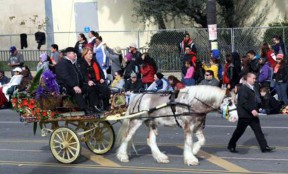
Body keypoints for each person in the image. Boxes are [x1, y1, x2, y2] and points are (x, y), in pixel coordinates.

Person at [227, 72, 275, 153]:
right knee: (239, 131)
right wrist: (252, 110)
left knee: (258, 131)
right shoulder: (243, 88)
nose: (254, 80)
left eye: (255, 78)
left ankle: (264, 147)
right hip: (245, 114)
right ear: (248, 78)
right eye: (253, 78)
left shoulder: (253, 87)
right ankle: (231, 145)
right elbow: (243, 102)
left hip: (253, 114)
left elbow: (256, 99)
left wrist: (259, 107)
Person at [55, 47, 93, 115]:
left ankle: (94, 106)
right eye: (74, 53)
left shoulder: (71, 62)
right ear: (68, 54)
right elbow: (66, 76)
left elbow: (79, 75)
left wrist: (87, 81)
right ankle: (85, 110)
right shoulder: (63, 63)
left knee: (91, 87)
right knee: (76, 91)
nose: (75, 55)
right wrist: (74, 86)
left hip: (76, 84)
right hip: (65, 86)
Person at [79, 47, 111, 112]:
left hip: (97, 81)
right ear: (85, 54)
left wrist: (102, 78)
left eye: (92, 54)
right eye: (90, 54)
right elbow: (83, 74)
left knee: (106, 88)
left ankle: (106, 106)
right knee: (92, 88)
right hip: (86, 83)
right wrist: (88, 81)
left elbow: (100, 71)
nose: (91, 55)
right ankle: (94, 106)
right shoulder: (82, 63)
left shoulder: (94, 62)